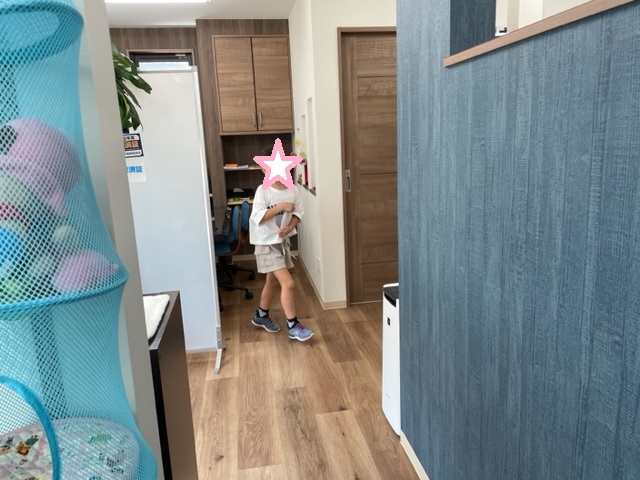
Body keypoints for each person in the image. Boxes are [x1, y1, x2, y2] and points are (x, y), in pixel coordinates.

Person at [249, 178, 313, 341]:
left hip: (280, 242)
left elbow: (298, 213)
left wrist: (290, 227)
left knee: (272, 282)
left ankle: (261, 315)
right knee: (288, 283)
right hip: (265, 243)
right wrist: (281, 206)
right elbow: (257, 216)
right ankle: (293, 325)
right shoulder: (263, 190)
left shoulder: (293, 190)